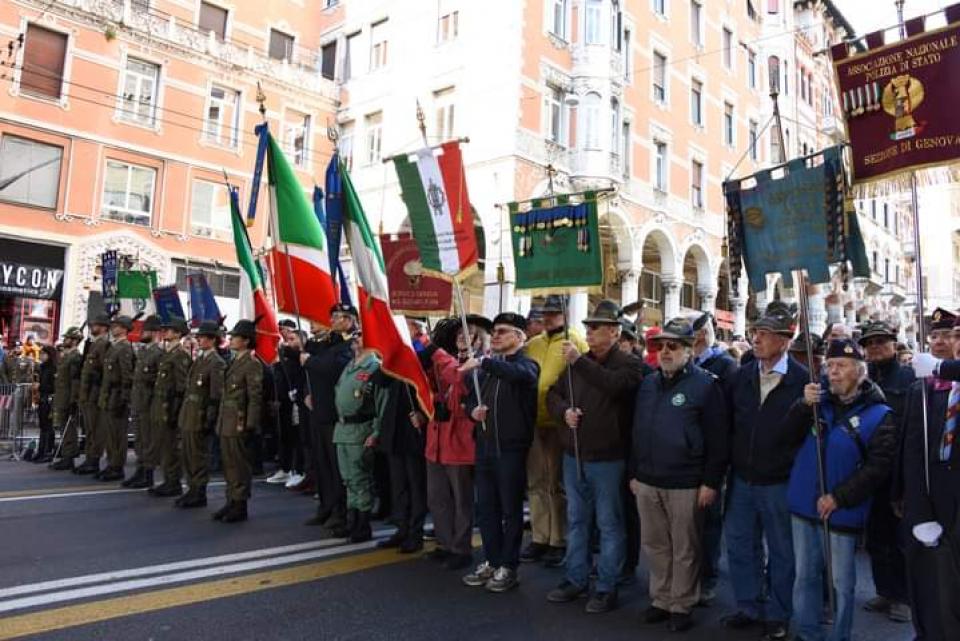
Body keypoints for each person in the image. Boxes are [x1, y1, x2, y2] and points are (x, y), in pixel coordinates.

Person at [782, 338, 898, 641]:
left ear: (860, 372)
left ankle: (840, 636)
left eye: (841, 366)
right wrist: (801, 406)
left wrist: (839, 497)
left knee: (841, 584)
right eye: (830, 365)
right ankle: (807, 632)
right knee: (804, 576)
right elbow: (784, 436)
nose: (833, 372)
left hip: (842, 511)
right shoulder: (815, 402)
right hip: (804, 504)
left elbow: (877, 468)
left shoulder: (881, 414)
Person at [629, 317, 729, 631]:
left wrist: (710, 482)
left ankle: (681, 605)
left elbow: (719, 439)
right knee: (655, 544)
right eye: (661, 346)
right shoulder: (648, 383)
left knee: (685, 547)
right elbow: (637, 431)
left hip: (686, 481)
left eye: (674, 346)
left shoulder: (707, 385)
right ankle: (660, 598)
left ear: (689, 349)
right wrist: (635, 472)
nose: (666, 352)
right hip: (647, 480)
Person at [544, 300, 643, 614]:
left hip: (609, 459)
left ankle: (606, 586)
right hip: (574, 456)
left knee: (609, 524)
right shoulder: (578, 362)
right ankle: (576, 578)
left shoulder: (628, 364)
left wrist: (579, 361)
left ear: (614, 332)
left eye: (595, 327)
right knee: (577, 520)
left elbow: (613, 386)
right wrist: (564, 412)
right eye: (587, 327)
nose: (589, 332)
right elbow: (553, 394)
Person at [722, 301, 808, 641]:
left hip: (779, 480)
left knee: (782, 551)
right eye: (755, 332)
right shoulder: (741, 376)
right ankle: (748, 606)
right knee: (741, 545)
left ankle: (778, 612)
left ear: (785, 340)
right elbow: (729, 424)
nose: (756, 339)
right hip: (742, 477)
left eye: (765, 334)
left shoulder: (803, 382)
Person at [460, 312, 539, 593]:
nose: (495, 336)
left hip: (511, 448)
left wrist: (484, 361)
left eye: (503, 331)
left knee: (510, 510)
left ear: (520, 337)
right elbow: (468, 400)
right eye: (494, 331)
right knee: (487, 509)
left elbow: (520, 376)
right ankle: (492, 561)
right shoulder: (487, 370)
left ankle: (509, 565)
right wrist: (472, 412)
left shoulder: (526, 365)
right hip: (485, 447)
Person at [899, 308, 960, 639]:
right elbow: (912, 451)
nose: (945, 342)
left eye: (948, 335)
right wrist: (917, 510)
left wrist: (939, 367)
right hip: (935, 504)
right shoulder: (924, 390)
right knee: (934, 590)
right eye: (956, 336)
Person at [524, 295, 588, 567]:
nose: (547, 318)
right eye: (545, 314)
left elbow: (584, 376)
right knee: (537, 482)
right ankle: (540, 536)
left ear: (564, 314)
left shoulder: (574, 340)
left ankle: (558, 539)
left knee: (556, 484)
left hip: (559, 423)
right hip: (534, 421)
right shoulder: (533, 344)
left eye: (552, 313)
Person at [858, 320, 915, 624]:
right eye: (870, 343)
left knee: (899, 540)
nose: (876, 347)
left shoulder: (908, 379)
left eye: (882, 341)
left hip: (897, 471)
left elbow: (913, 432)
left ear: (894, 344)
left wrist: (906, 482)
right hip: (869, 471)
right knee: (876, 537)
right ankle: (884, 590)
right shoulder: (863, 379)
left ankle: (903, 597)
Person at [421, 317, 483, 570]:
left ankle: (461, 548)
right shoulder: (448, 360)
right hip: (437, 437)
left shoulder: (479, 363)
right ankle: (445, 543)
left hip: (460, 440)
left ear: (479, 341)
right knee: (437, 497)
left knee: (461, 500)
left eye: (470, 335)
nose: (463, 338)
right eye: (460, 335)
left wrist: (433, 350)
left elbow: (459, 379)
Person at [690, 311, 739, 603]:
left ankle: (707, 576)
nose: (698, 337)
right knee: (688, 522)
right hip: (687, 455)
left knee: (709, 519)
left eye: (703, 331)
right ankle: (689, 574)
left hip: (713, 452)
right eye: (694, 332)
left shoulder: (726, 366)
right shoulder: (685, 362)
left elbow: (730, 413)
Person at [301, 304, 355, 534]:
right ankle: (325, 506)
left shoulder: (347, 345)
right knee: (321, 463)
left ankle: (340, 512)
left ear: (349, 320)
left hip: (335, 414)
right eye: (331, 316)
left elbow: (335, 368)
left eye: (337, 317)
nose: (332, 320)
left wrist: (309, 361)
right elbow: (310, 371)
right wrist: (306, 393)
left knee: (336, 468)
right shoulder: (327, 343)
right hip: (318, 410)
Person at [333, 333, 386, 542]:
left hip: (360, 429)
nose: (356, 338)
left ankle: (363, 525)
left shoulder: (374, 366)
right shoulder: (350, 365)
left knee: (360, 479)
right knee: (348, 479)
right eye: (355, 335)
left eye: (362, 335)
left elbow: (380, 404)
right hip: (343, 429)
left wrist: (376, 432)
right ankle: (352, 520)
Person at [213, 320, 263, 523]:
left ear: (246, 341)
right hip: (227, 419)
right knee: (229, 463)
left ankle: (240, 504)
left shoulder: (252, 364)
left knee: (239, 464)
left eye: (235, 337)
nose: (231, 340)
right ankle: (231, 500)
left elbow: (255, 396)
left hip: (239, 421)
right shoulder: (234, 361)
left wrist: (250, 424)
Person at [375, 371, 429, 553]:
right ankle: (402, 528)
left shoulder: (419, 356)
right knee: (398, 486)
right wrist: (387, 359)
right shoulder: (396, 360)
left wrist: (423, 413)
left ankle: (415, 533)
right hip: (394, 432)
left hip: (413, 432)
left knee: (415, 486)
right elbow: (379, 380)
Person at [176, 321, 226, 509]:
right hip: (189, 414)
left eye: (203, 337)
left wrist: (209, 419)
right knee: (187, 454)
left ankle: (199, 491)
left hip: (200, 415)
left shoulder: (216, 363)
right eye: (198, 337)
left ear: (213, 340)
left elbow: (215, 395)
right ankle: (191, 488)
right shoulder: (199, 360)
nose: (199, 340)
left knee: (198, 455)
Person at [148, 318, 193, 498]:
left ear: (178, 333)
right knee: (164, 446)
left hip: (170, 407)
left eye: (169, 330)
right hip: (161, 405)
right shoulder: (168, 353)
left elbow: (182, 387)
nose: (165, 332)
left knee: (171, 446)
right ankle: (168, 479)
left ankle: (173, 482)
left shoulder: (180, 355)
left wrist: (175, 411)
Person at [124, 315, 163, 488]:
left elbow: (158, 381)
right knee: (139, 439)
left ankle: (147, 473)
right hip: (139, 401)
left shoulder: (158, 353)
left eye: (146, 330)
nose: (142, 333)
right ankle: (140, 469)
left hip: (149, 403)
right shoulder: (145, 352)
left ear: (154, 332)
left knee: (148, 440)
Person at [96, 316, 135, 482]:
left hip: (117, 396)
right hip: (109, 395)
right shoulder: (113, 347)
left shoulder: (125, 348)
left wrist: (124, 399)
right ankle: (111, 463)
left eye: (117, 326)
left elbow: (127, 376)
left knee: (118, 433)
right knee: (110, 433)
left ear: (124, 329)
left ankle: (117, 466)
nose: (113, 328)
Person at [269, 327, 307, 489]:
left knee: (300, 438)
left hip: (300, 403)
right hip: (286, 403)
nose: (289, 342)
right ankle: (287, 468)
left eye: (293, 339)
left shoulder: (302, 357)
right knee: (287, 436)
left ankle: (300, 470)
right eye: (288, 339)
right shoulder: (285, 359)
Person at [74, 314, 111, 475]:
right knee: (89, 428)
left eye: (95, 325)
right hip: (88, 393)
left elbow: (103, 370)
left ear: (103, 327)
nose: (92, 327)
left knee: (96, 429)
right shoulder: (94, 344)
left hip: (95, 393)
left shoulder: (103, 344)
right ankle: (89, 457)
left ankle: (94, 459)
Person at [50, 327, 84, 470]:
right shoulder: (66, 355)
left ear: (75, 340)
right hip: (62, 396)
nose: (65, 340)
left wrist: (73, 400)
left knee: (69, 428)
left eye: (68, 338)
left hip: (68, 398)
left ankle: (68, 457)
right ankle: (65, 454)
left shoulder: (75, 357)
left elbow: (75, 381)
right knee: (63, 427)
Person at [31, 345, 58, 464]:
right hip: (42, 399)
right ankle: (41, 450)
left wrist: (40, 386)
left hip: (50, 399)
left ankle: (48, 451)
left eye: (43, 354)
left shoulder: (53, 368)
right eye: (40, 353)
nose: (41, 356)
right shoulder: (42, 367)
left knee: (48, 426)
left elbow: (54, 387)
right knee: (42, 426)